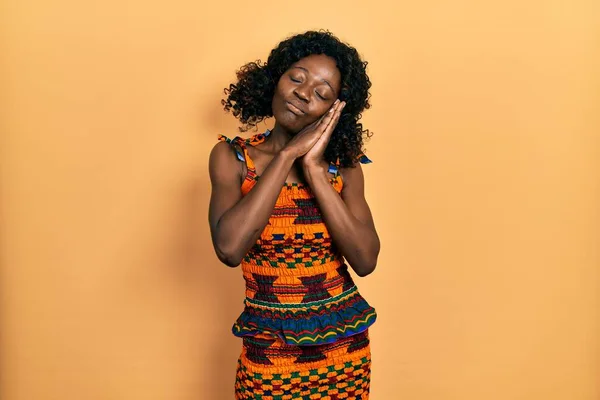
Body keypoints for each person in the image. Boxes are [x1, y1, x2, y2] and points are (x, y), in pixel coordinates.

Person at [208, 30, 380, 400]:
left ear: (335, 112)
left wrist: (315, 169)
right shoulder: (233, 159)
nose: (304, 94)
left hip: (343, 353)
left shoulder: (341, 169)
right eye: (297, 78)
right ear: (275, 78)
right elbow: (229, 249)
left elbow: (365, 260)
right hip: (269, 353)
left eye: (322, 93)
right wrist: (286, 156)